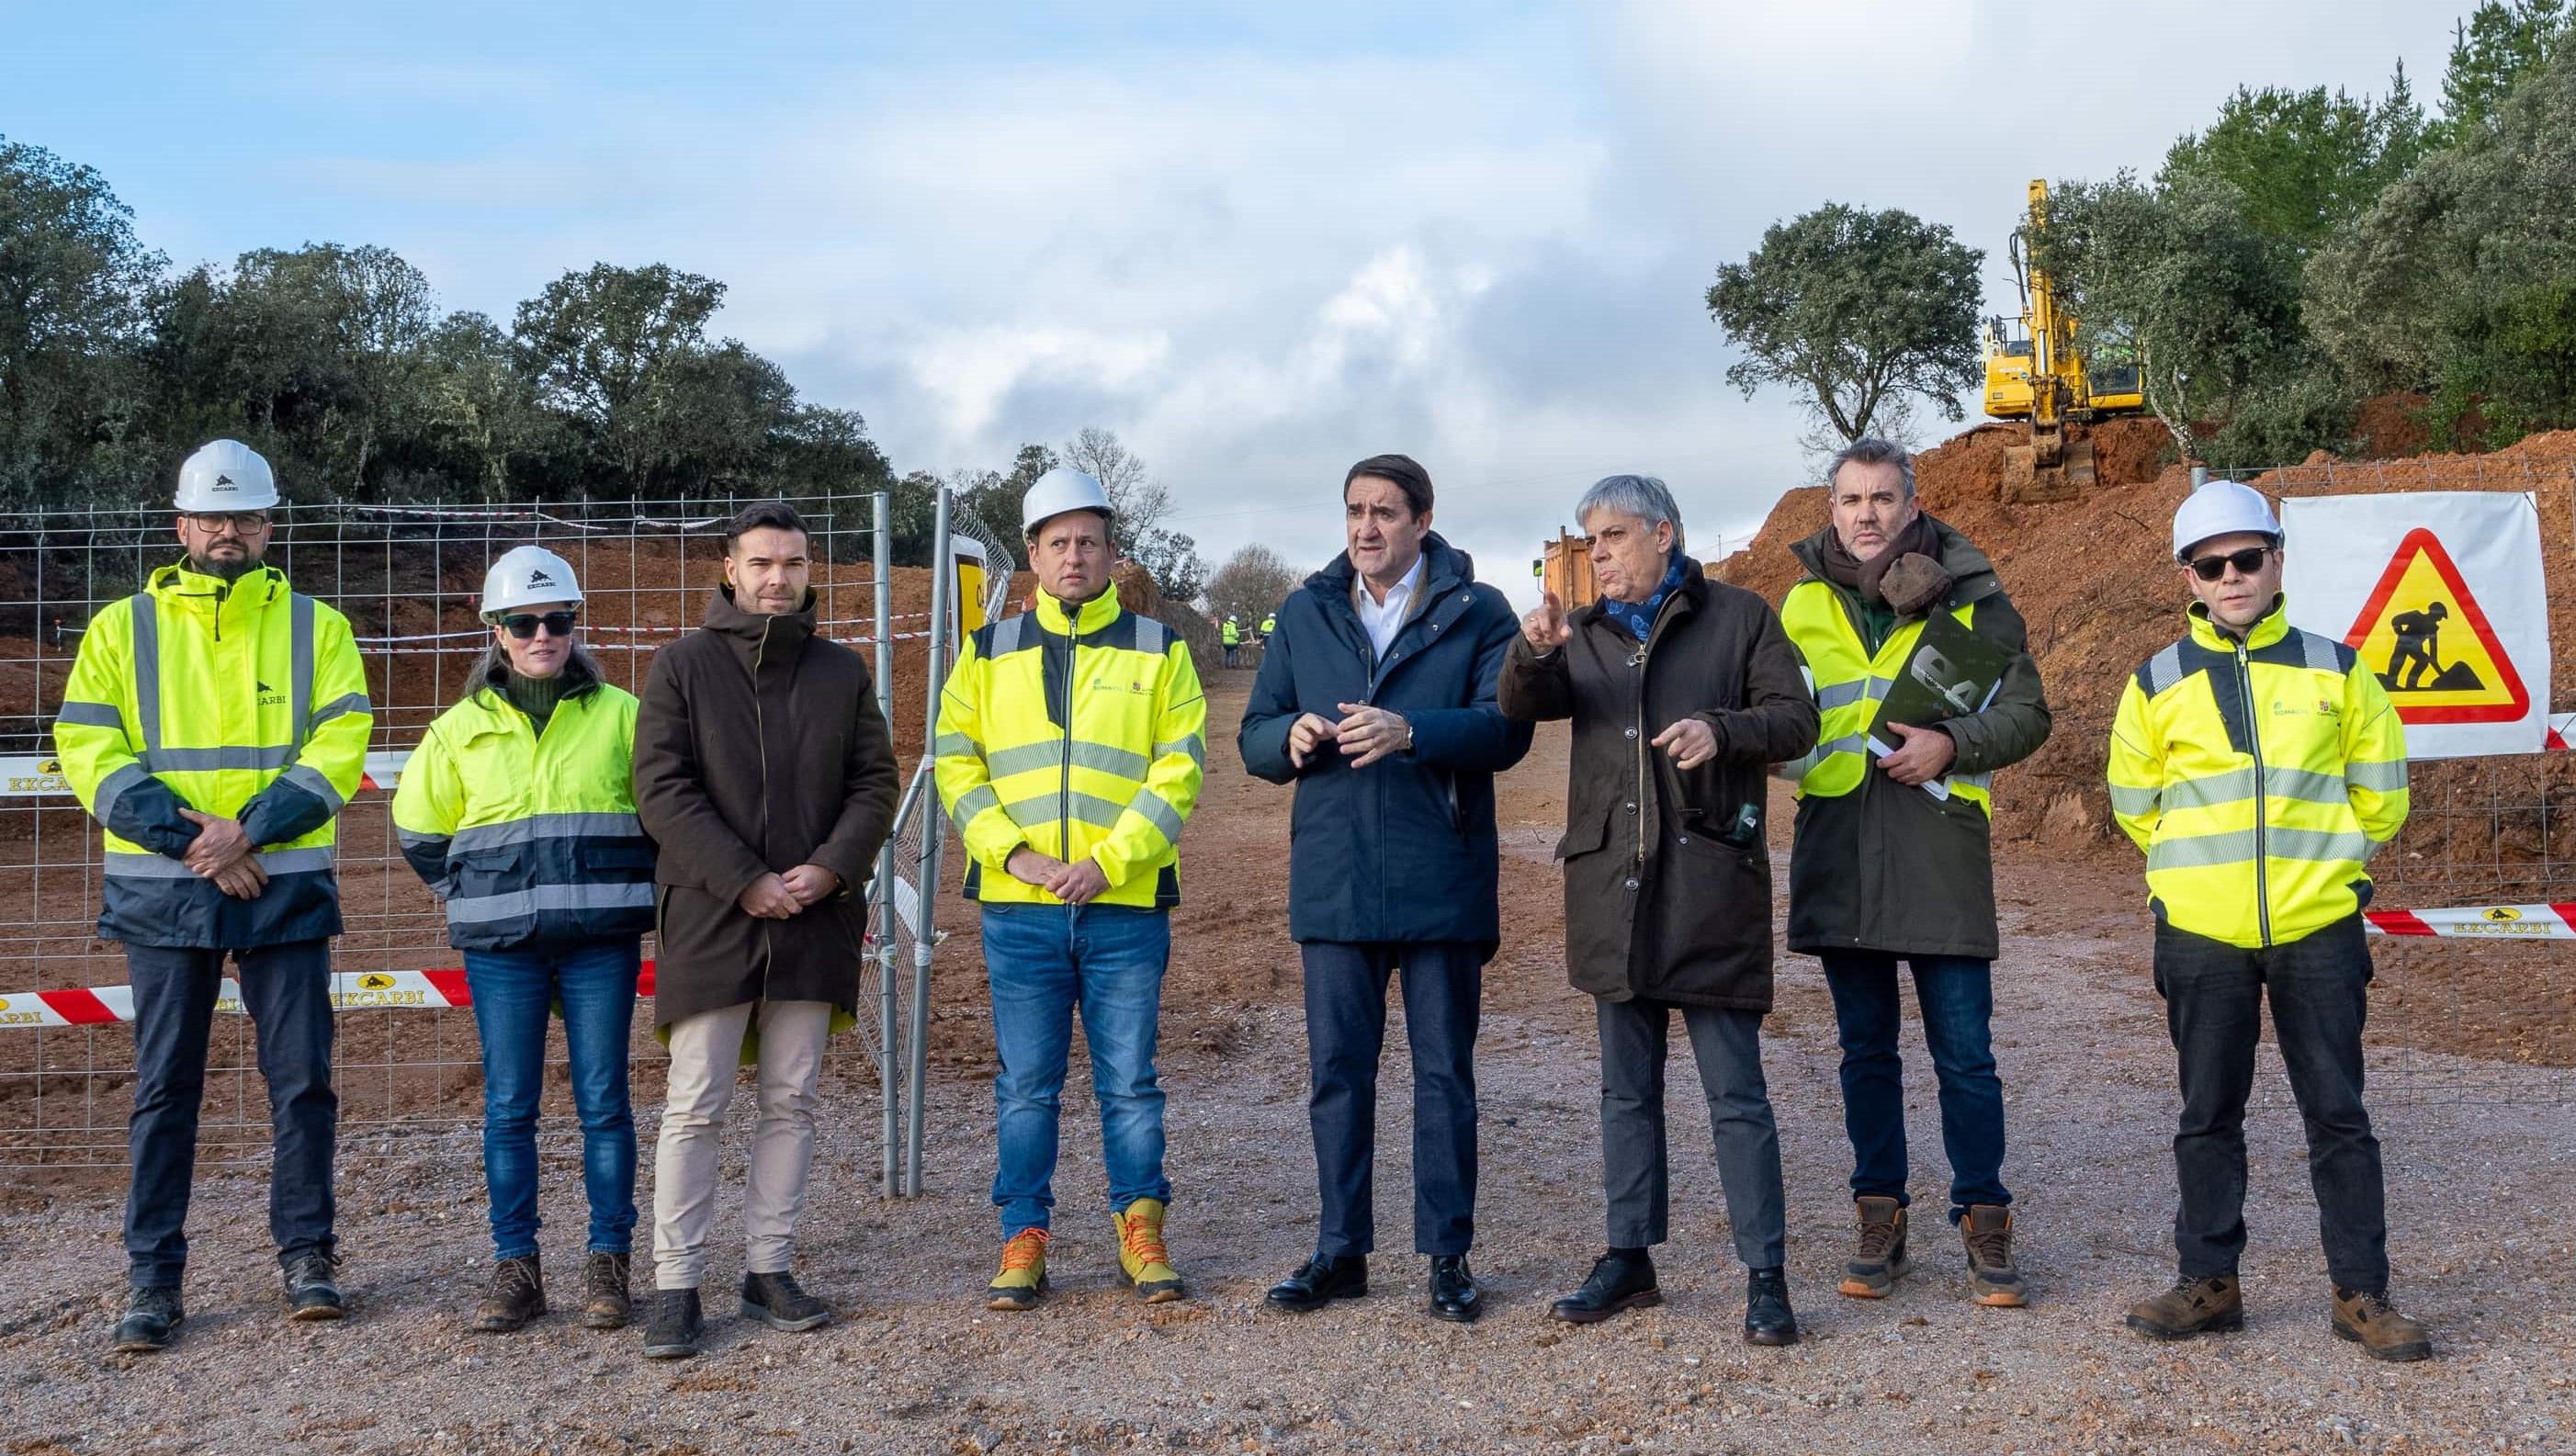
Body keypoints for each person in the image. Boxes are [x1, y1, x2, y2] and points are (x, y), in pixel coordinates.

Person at [53, 440, 371, 1353]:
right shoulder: (121, 628)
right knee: (165, 1088)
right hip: (169, 890)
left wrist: (252, 829)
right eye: (212, 516)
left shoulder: (319, 627)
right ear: (181, 524)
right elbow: (90, 748)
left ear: (269, 525)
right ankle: (152, 1279)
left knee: (302, 1082)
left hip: (280, 885)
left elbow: (341, 740)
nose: (227, 530)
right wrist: (199, 840)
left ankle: (308, 1257)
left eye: (244, 516)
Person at [2107, 478, 2427, 1362]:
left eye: (2249, 557)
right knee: (2207, 1111)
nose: (2233, 575)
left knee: (2338, 1114)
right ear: (2191, 578)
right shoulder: (2157, 682)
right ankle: (2209, 1282)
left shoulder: (2338, 668)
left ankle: (2361, 1293)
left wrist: (2326, 866)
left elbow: (2383, 793)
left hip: (2317, 926)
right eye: (2213, 565)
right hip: (2202, 933)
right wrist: (2190, 885)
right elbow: (2136, 804)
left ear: (2278, 559)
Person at [1498, 474, 1817, 1346]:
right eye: (1589, 539)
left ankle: (1766, 1274)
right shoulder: (1585, 634)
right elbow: (1518, 706)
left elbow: (1797, 721)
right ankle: (1628, 1256)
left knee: (1736, 1096)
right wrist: (1531, 649)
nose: (1596, 553)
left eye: (1612, 535)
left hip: (1708, 888)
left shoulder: (1741, 617)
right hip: (1611, 887)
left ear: (1664, 535)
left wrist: (1724, 728)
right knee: (1624, 1094)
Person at [1239, 454, 1534, 1324]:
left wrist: (1413, 731)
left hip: (1438, 874)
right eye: (1355, 512)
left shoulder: (1479, 612)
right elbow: (1255, 732)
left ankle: (1448, 1254)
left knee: (1444, 1074)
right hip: (1333, 881)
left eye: (1385, 513)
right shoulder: (1304, 611)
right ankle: (1341, 1250)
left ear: (1423, 519)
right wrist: (1285, 735)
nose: (1366, 528)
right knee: (1337, 1073)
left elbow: (1506, 729)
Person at [1774, 438, 2051, 1309]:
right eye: (1852, 499)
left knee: (1965, 1055)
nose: (1867, 515)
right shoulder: (1801, 604)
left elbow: (2028, 712)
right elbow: (1777, 717)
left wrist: (1951, 744)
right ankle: (1879, 1212)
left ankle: (1985, 1215)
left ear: (1913, 503)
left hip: (1938, 851)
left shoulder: (1972, 594)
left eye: (1884, 498)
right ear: (1832, 508)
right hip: (1840, 850)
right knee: (1866, 1052)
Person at [630, 502, 898, 1360]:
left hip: (816, 917)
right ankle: (676, 1284)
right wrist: (742, 878)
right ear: (730, 570)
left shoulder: (841, 672)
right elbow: (662, 788)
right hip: (712, 914)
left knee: (792, 1097)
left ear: (810, 569)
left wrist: (829, 868)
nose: (777, 577)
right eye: (761, 562)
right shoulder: (680, 667)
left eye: (792, 562)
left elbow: (874, 783)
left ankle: (767, 1269)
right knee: (696, 1100)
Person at [935, 467, 1207, 1312]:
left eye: (1089, 540)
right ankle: (1025, 1235)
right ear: (1033, 555)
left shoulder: (1162, 651)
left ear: (1112, 551)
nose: (1075, 554)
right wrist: (1013, 856)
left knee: (1129, 1080)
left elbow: (1179, 767)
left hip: (1122, 905)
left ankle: (1142, 1227)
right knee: (1026, 1084)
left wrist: (1110, 860)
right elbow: (956, 762)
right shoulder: (985, 653)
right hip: (1022, 910)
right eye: (1059, 541)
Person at [392, 547, 655, 1335]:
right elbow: (419, 829)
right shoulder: (457, 730)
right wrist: (474, 897)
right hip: (501, 949)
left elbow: (663, 813)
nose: (543, 634)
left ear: (575, 625)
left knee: (604, 1103)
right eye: (525, 622)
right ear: (496, 631)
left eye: (558, 620)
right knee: (509, 1107)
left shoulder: (621, 714)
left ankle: (609, 1265)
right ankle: (517, 1270)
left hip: (600, 943)